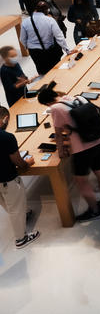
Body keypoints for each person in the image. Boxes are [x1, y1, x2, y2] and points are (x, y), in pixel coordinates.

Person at [39, 83, 100, 221]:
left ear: (47, 103)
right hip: (99, 140)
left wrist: (61, 151)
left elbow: (58, 134)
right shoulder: (77, 98)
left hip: (83, 148)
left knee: (80, 180)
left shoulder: (55, 108)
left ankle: (94, 210)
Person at [0, 106, 40, 248]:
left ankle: (25, 214)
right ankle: (21, 239)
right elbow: (18, 162)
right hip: (7, 179)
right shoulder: (6, 137)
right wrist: (27, 162)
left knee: (7, 203)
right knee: (15, 206)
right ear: (5, 119)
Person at [20, 1, 71, 75]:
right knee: (55, 71)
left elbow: (22, 39)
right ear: (46, 10)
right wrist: (67, 50)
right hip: (50, 51)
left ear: (36, 10)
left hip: (35, 52)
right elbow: (59, 37)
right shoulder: (50, 20)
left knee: (42, 73)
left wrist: (29, 47)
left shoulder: (25, 22)